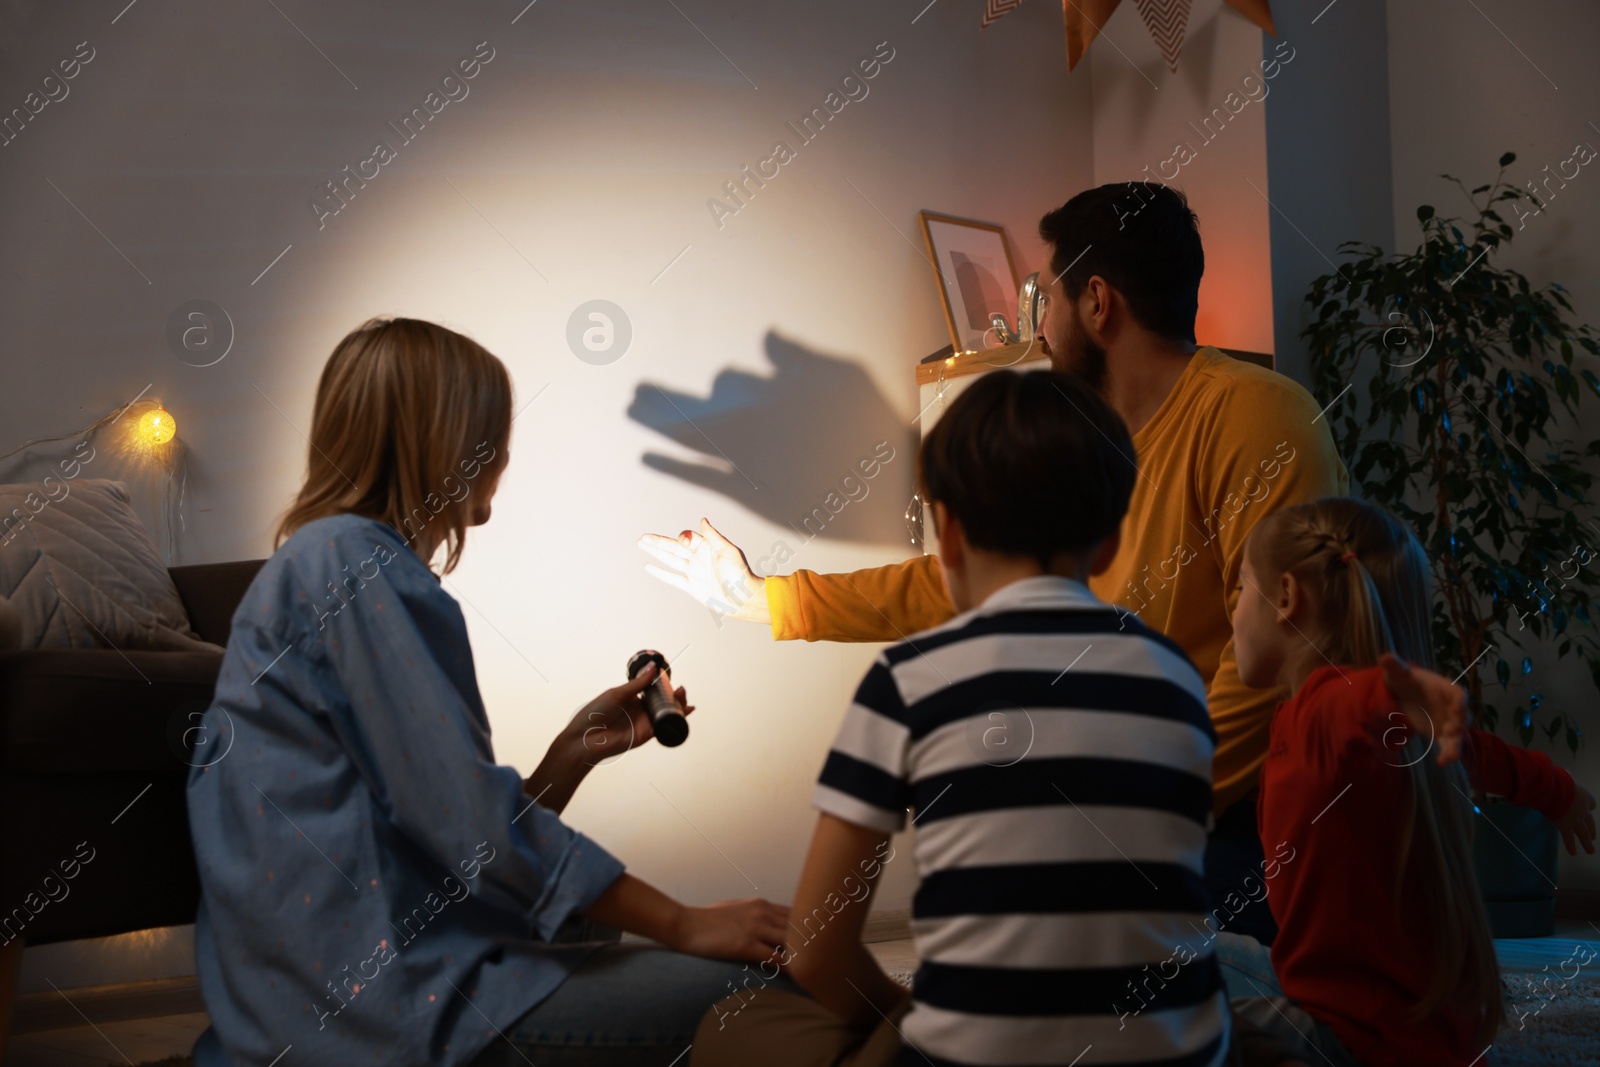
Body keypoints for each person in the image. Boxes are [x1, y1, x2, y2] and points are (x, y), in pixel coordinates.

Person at [641, 182, 1348, 944]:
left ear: (1098, 303)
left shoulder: (1255, 415)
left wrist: (1125, 813)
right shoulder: (1085, 443)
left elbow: (1281, 658)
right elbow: (955, 576)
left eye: (1048, 300)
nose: (1040, 329)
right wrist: (770, 599)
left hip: (1239, 821)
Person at [187, 318, 790, 1067]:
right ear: (448, 441)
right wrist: (685, 922)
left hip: (312, 1006)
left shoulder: (318, 564)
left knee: (585, 925)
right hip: (379, 1017)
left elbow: (437, 831)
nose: (504, 455)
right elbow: (470, 825)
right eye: (494, 433)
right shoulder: (357, 568)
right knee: (766, 991)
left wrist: (571, 755)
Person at [693, 369, 1233, 1067]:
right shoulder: (1177, 677)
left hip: (971, 1057)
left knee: (733, 1025)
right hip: (1185, 1052)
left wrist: (901, 1011)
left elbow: (818, 947)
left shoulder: (909, 681)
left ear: (944, 535)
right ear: (1107, 543)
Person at [1221, 497, 1597, 1067]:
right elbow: (1486, 755)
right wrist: (1559, 791)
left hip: (1349, 1040)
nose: (1232, 610)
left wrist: (1387, 695)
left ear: (1288, 598)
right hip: (1401, 1027)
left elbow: (1353, 706)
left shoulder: (1325, 711)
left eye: (1241, 586)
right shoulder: (1379, 735)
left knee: (1153, 966)